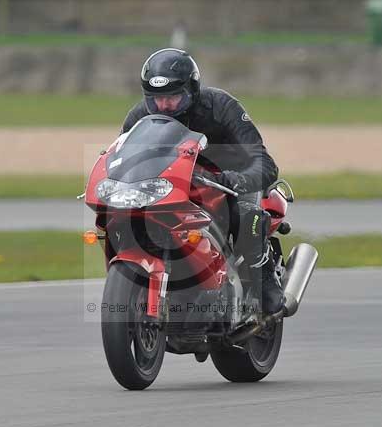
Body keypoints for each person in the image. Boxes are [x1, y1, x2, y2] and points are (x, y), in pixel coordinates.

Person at [121, 48, 283, 316]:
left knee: (245, 215)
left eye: (173, 97)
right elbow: (123, 157)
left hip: (228, 180)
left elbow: (264, 160)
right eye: (156, 99)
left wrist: (238, 179)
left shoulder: (221, 107)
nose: (164, 106)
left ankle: (262, 280)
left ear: (192, 90)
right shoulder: (139, 116)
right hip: (176, 185)